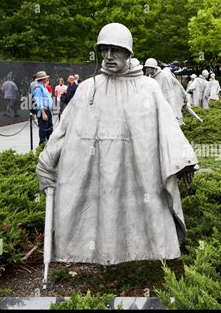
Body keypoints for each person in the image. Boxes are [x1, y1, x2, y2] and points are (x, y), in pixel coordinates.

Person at [36, 23, 198, 265]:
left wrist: (184, 160)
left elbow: (168, 128)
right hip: (98, 169)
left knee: (142, 209)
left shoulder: (148, 88)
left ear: (128, 53)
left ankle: (147, 259)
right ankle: (98, 256)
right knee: (100, 212)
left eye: (117, 50)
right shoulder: (87, 89)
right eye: (105, 50)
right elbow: (64, 129)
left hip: (139, 171)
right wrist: (47, 161)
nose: (109, 56)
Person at [144, 57, 191, 125]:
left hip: (165, 104)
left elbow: (169, 94)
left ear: (154, 68)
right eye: (146, 67)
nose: (147, 69)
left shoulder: (163, 76)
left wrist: (172, 111)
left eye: (149, 67)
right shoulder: (150, 77)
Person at [33, 71, 53, 145]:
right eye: (45, 78)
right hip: (43, 110)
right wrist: (43, 113)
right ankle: (41, 146)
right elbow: (39, 102)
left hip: (47, 110)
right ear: (42, 79)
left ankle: (49, 145)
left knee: (49, 128)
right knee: (43, 129)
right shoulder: (38, 88)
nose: (47, 79)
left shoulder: (43, 87)